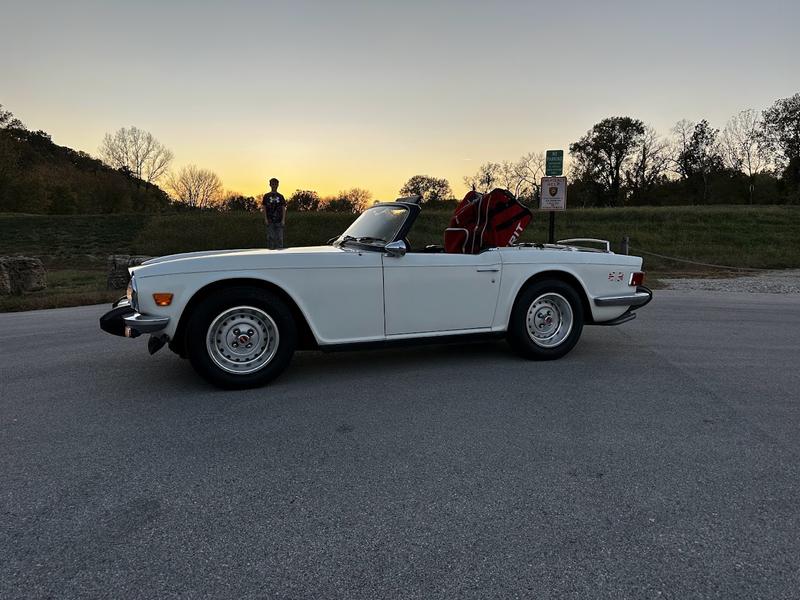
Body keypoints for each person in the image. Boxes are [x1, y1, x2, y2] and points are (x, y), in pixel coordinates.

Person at [262, 177, 286, 249]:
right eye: (272, 184)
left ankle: (280, 255)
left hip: (279, 220)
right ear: (270, 185)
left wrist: (283, 220)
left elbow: (283, 208)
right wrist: (265, 219)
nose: (274, 185)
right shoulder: (266, 196)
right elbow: (264, 208)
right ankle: (270, 254)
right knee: (270, 238)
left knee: (280, 238)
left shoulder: (281, 196)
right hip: (270, 220)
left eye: (275, 184)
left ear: (278, 185)